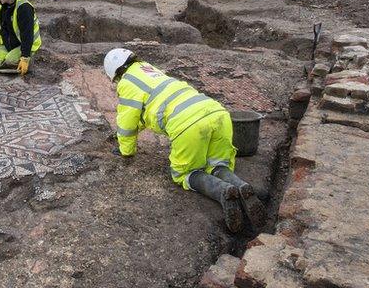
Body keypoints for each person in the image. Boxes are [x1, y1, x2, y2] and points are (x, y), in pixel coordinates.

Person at [103, 48, 265, 233]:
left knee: (184, 173)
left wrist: (126, 151)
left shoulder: (127, 83)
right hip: (217, 113)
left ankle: (222, 192)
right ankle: (241, 187)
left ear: (114, 73)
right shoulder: (149, 70)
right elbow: (146, 114)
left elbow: (127, 124)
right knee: (217, 165)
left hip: (188, 124)